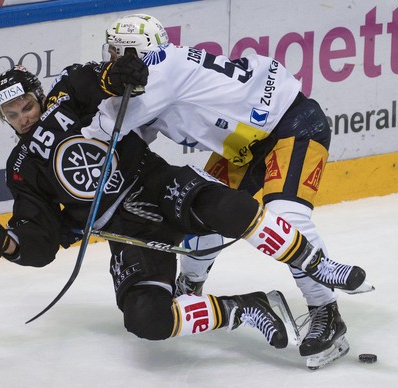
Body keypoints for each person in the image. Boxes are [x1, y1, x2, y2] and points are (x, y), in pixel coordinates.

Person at [0, 60, 366, 361]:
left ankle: (315, 267)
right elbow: (39, 241)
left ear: (38, 95)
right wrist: (1, 243)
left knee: (230, 207)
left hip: (154, 184)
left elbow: (94, 81)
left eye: (26, 106)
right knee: (145, 320)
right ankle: (246, 307)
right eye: (11, 115)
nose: (22, 118)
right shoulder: (20, 169)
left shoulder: (66, 95)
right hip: (124, 230)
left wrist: (114, 76)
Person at [83, 13, 374, 366]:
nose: (110, 60)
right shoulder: (162, 69)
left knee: (287, 218)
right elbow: (135, 134)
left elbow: (105, 127)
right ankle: (189, 287)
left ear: (136, 52)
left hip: (293, 127)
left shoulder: (158, 72)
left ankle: (325, 311)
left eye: (117, 52)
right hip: (241, 145)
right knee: (202, 214)